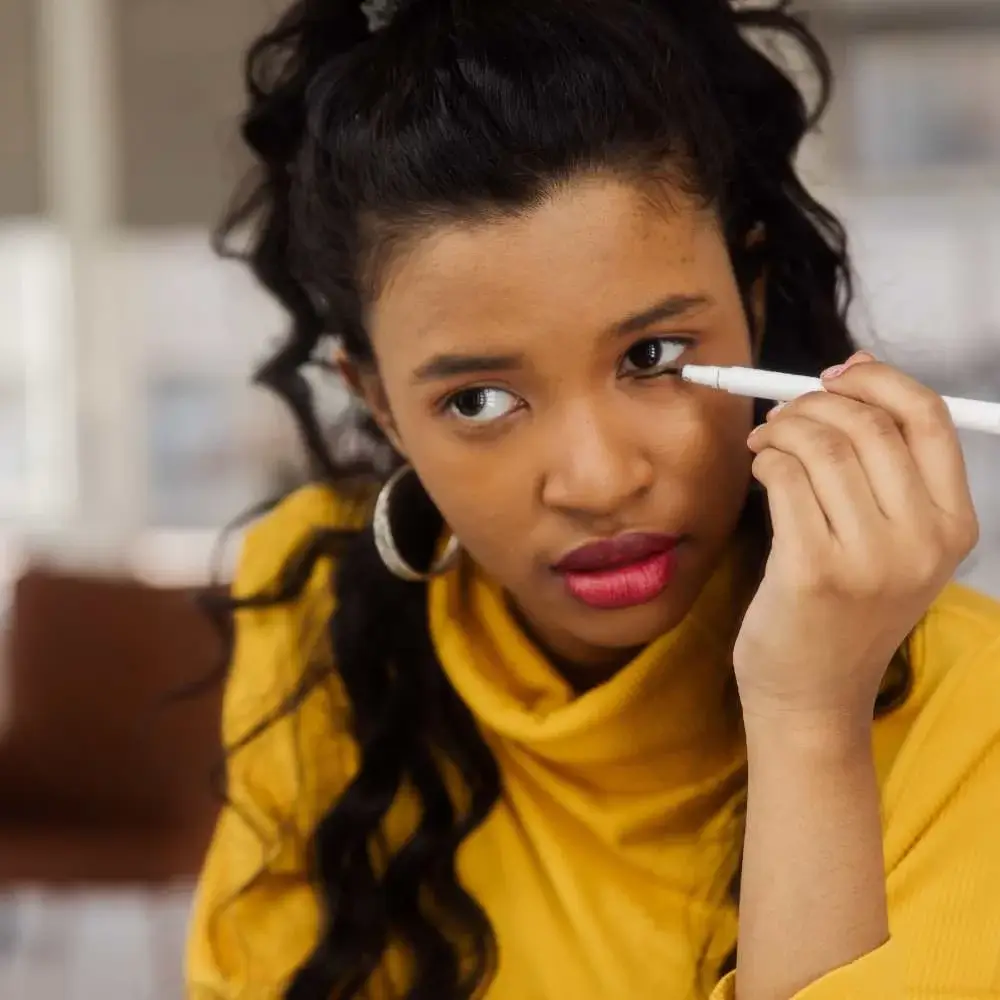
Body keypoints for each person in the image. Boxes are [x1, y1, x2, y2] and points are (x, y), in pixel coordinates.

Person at [185, 1, 1000, 998]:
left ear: (748, 299)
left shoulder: (975, 699)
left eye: (652, 355)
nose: (597, 480)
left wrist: (810, 714)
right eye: (478, 399)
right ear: (380, 406)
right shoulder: (316, 595)